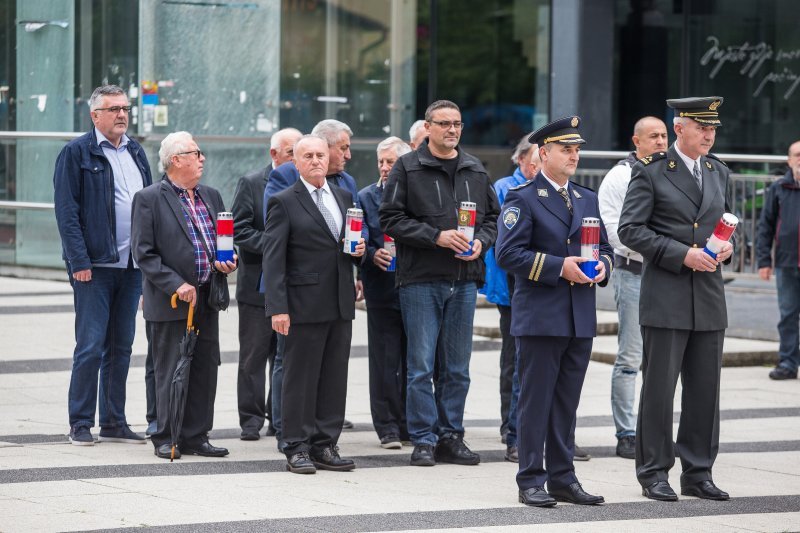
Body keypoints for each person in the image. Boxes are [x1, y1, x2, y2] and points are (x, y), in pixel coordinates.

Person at [618, 96, 733, 502]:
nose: (708, 135)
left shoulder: (719, 172)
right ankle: (654, 472)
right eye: (701, 127)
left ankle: (698, 471)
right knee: (659, 391)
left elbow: (727, 225)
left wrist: (727, 249)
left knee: (705, 390)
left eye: (713, 128)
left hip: (708, 294)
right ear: (679, 127)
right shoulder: (651, 172)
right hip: (666, 292)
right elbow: (630, 230)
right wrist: (681, 253)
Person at [496, 116, 612, 508]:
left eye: (577, 149)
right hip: (542, 315)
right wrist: (558, 266)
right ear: (543, 153)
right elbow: (508, 253)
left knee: (566, 402)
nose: (574, 156)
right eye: (566, 149)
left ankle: (563, 477)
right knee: (536, 401)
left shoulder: (586, 198)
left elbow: (605, 250)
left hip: (579, 314)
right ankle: (531, 478)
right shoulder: (523, 197)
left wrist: (603, 268)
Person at [380, 99, 500, 467]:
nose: (452, 130)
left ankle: (451, 436)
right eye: (444, 123)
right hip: (421, 280)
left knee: (457, 368)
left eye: (457, 124)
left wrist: (481, 241)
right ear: (428, 128)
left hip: (463, 281)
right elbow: (390, 219)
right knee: (420, 365)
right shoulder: (407, 167)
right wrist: (436, 236)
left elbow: (493, 219)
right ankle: (423, 439)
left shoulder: (474, 169)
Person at [54, 84, 152, 446]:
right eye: (113, 109)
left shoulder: (136, 151)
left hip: (131, 266)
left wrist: (149, 261)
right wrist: (78, 260)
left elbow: (149, 205)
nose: (122, 115)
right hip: (94, 267)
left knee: (121, 345)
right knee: (91, 344)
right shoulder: (76, 153)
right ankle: (80, 422)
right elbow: (67, 212)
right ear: (95, 115)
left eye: (125, 108)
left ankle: (113, 420)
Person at [132, 131, 237, 460]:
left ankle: (196, 435)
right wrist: (176, 283)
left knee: (206, 366)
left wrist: (229, 261)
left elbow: (224, 240)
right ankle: (166, 435)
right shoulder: (149, 198)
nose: (202, 158)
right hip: (173, 300)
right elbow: (144, 254)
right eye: (196, 153)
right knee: (170, 368)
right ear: (176, 160)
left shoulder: (211, 195)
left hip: (208, 295)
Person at [263, 134, 365, 474]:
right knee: (300, 378)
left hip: (339, 301)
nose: (316, 161)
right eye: (308, 156)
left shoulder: (344, 195)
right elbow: (274, 259)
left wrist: (358, 252)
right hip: (302, 304)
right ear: (296, 162)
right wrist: (278, 307)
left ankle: (325, 443)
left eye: (321, 155)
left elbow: (345, 246)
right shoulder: (283, 201)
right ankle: (296, 445)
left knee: (334, 376)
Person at [598, 116, 668, 459]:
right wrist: (665, 249)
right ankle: (626, 432)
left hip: (671, 275)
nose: (660, 141)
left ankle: (655, 429)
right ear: (635, 140)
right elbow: (616, 233)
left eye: (664, 135)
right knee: (630, 358)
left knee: (664, 360)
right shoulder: (619, 177)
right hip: (635, 273)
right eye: (653, 136)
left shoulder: (672, 172)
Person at [233, 127, 302, 441]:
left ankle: (279, 417)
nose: (297, 158)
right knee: (253, 356)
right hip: (256, 284)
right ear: (274, 154)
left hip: (292, 286)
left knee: (285, 356)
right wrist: (276, 245)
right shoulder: (251, 182)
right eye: (292, 152)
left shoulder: (306, 182)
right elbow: (240, 230)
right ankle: (250, 420)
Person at [479, 135, 539, 462]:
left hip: (541, 287)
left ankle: (543, 431)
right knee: (515, 362)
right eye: (534, 159)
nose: (538, 165)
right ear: (521, 159)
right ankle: (513, 431)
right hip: (512, 288)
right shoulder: (506, 188)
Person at [359, 136, 412, 449]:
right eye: (380, 161)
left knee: (413, 361)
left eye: (390, 162)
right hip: (381, 289)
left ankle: (408, 422)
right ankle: (387, 426)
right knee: (384, 360)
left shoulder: (414, 194)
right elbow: (358, 235)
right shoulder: (366, 196)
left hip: (413, 286)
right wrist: (371, 253)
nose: (383, 167)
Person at [757, 139, 800, 381]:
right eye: (797, 155)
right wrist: (764, 261)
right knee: (788, 316)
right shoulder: (779, 188)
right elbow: (766, 226)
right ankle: (788, 363)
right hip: (787, 264)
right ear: (789, 160)